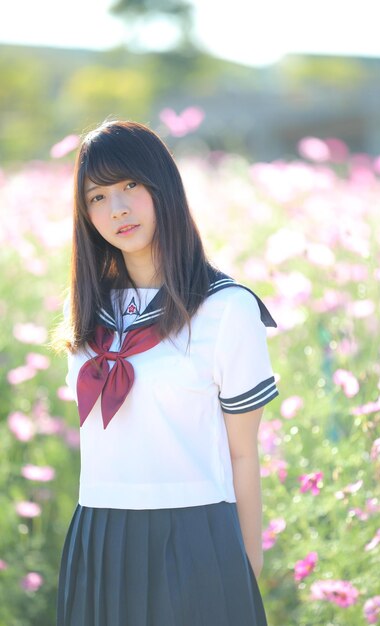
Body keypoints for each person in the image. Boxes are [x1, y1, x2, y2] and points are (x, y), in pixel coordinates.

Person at [54, 119, 279, 626]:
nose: (118, 209)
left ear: (163, 187)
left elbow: (243, 451)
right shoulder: (86, 311)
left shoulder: (226, 309)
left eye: (131, 185)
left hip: (196, 536)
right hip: (99, 535)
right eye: (97, 196)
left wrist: (246, 563)